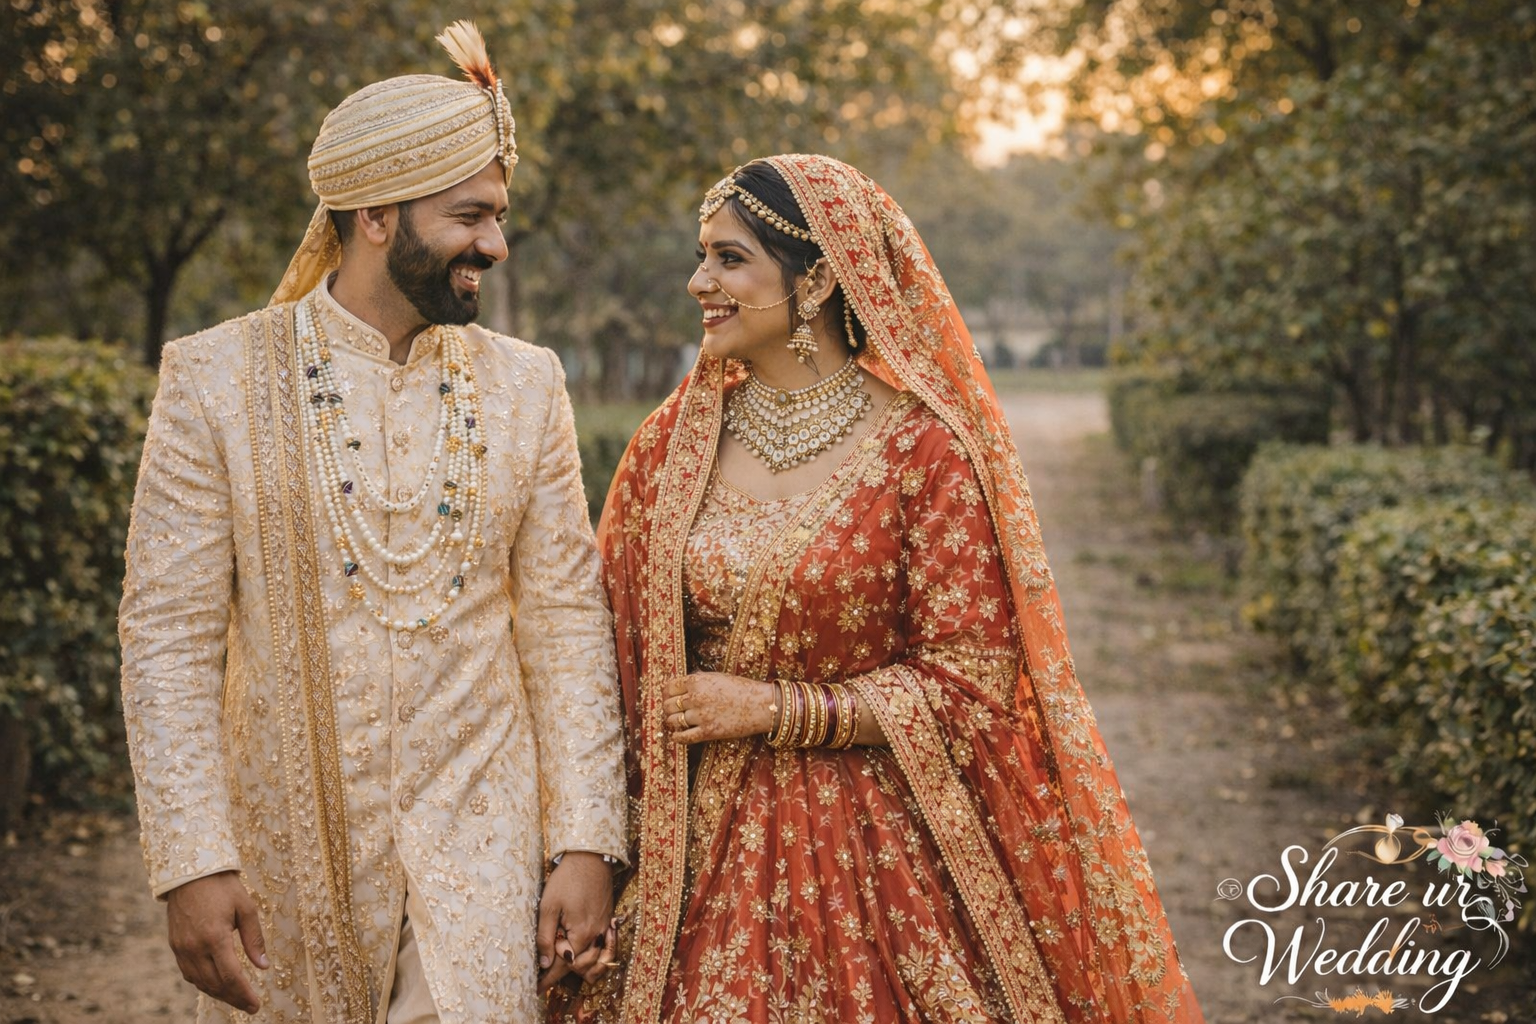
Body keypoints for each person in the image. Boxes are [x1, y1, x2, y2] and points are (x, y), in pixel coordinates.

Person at [552, 155, 1205, 1023]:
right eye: (703, 255)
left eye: (730, 258)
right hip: (693, 852)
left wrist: (776, 709)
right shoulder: (671, 444)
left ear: (818, 277)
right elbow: (606, 658)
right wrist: (593, 851)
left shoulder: (924, 453)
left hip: (880, 850)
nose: (697, 280)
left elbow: (974, 679)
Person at [119, 23, 625, 1024]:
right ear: (377, 214)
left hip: (484, 844)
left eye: (500, 214)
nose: (495, 242)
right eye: (470, 216)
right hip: (294, 857)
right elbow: (167, 638)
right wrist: (190, 859)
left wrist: (586, 841)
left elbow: (568, 626)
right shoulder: (213, 379)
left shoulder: (529, 386)